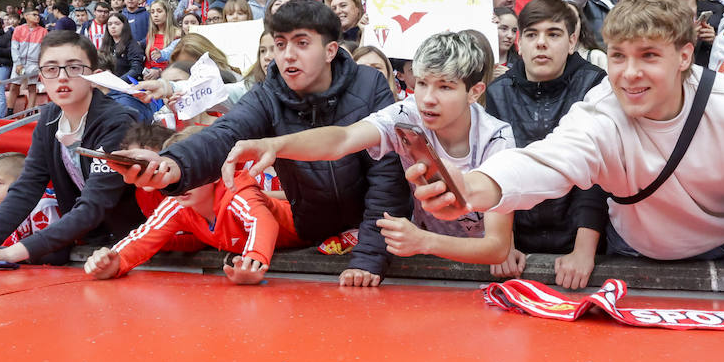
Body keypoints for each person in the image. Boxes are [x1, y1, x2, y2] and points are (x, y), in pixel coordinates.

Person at [410, 0, 724, 289]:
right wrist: (473, 186)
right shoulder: (600, 111)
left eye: (648, 55)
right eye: (618, 56)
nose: (629, 73)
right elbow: (547, 162)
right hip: (631, 258)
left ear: (685, 55)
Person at [109, 0, 411, 286]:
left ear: (331, 49)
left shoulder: (369, 85)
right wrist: (173, 163)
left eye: (301, 43)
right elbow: (224, 134)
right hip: (313, 229)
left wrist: (370, 256)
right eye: (280, 44)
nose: (287, 55)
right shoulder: (268, 94)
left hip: (373, 231)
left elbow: (386, 178)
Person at [221, 31, 516, 274]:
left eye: (445, 87)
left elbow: (497, 247)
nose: (428, 99)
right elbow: (343, 138)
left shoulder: (497, 138)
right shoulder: (407, 113)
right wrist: (275, 145)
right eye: (423, 83)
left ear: (474, 91)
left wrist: (424, 241)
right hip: (421, 257)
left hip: (477, 267)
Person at [0, 31, 144, 270]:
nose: (62, 78)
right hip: (95, 244)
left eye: (74, 68)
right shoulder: (49, 117)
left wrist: (13, 253)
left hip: (139, 241)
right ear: (41, 76)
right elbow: (27, 187)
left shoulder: (118, 121)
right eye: (51, 69)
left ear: (95, 77)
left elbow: (95, 203)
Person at [483, 0, 608, 288]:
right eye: (531, 34)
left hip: (583, 236)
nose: (541, 43)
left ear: (572, 40)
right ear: (519, 43)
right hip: (519, 236)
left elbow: (598, 175)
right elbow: (496, 169)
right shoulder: (498, 92)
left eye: (553, 34)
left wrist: (583, 250)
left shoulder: (595, 85)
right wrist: (503, 242)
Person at [85, 124, 304, 286]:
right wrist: (115, 260)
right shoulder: (177, 202)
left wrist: (252, 261)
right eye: (175, 175)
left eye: (189, 173)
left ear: (215, 172)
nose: (181, 184)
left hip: (311, 231)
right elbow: (144, 236)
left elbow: (263, 222)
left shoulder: (236, 191)